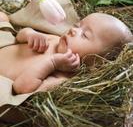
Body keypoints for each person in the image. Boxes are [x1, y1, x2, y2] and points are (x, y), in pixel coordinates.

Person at [0, 12, 132, 94]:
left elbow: (21, 87)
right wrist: (30, 34)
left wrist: (52, 63)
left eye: (84, 35)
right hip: (4, 44)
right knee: (2, 17)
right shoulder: (56, 40)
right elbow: (18, 37)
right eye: (77, 25)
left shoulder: (62, 78)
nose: (73, 30)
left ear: (97, 64)